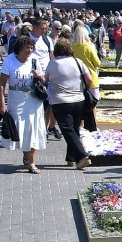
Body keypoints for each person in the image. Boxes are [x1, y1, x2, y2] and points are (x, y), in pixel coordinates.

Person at [0, 35, 46, 173]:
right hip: (16, 98)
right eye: (27, 48)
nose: (30, 50)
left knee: (34, 128)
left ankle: (31, 161)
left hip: (33, 99)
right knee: (23, 130)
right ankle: (26, 156)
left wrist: (39, 76)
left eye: (31, 48)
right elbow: (2, 84)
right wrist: (2, 103)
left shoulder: (34, 60)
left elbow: (43, 80)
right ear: (19, 49)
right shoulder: (9, 61)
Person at [45, 38, 93, 169]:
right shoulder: (78, 61)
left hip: (60, 101)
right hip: (78, 100)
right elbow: (89, 80)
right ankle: (71, 158)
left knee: (67, 130)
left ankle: (82, 156)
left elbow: (46, 79)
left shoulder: (53, 63)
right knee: (74, 129)